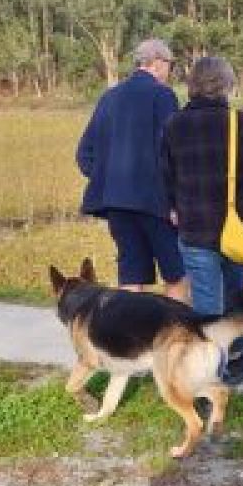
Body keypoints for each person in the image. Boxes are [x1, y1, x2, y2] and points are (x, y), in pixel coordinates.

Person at [162, 56, 243, 384]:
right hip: (234, 229)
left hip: (194, 231)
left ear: (193, 86)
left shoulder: (174, 124)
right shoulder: (238, 122)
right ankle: (226, 368)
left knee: (207, 306)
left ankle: (217, 369)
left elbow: (165, 177)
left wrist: (172, 207)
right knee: (237, 295)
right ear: (225, 85)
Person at [76, 37, 187, 301]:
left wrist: (111, 179)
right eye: (169, 65)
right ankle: (172, 339)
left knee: (132, 277)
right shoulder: (163, 96)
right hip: (155, 203)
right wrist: (176, 202)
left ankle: (133, 341)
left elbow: (84, 154)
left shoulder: (109, 97)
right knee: (178, 275)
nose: (170, 71)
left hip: (116, 205)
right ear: (158, 63)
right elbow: (173, 152)